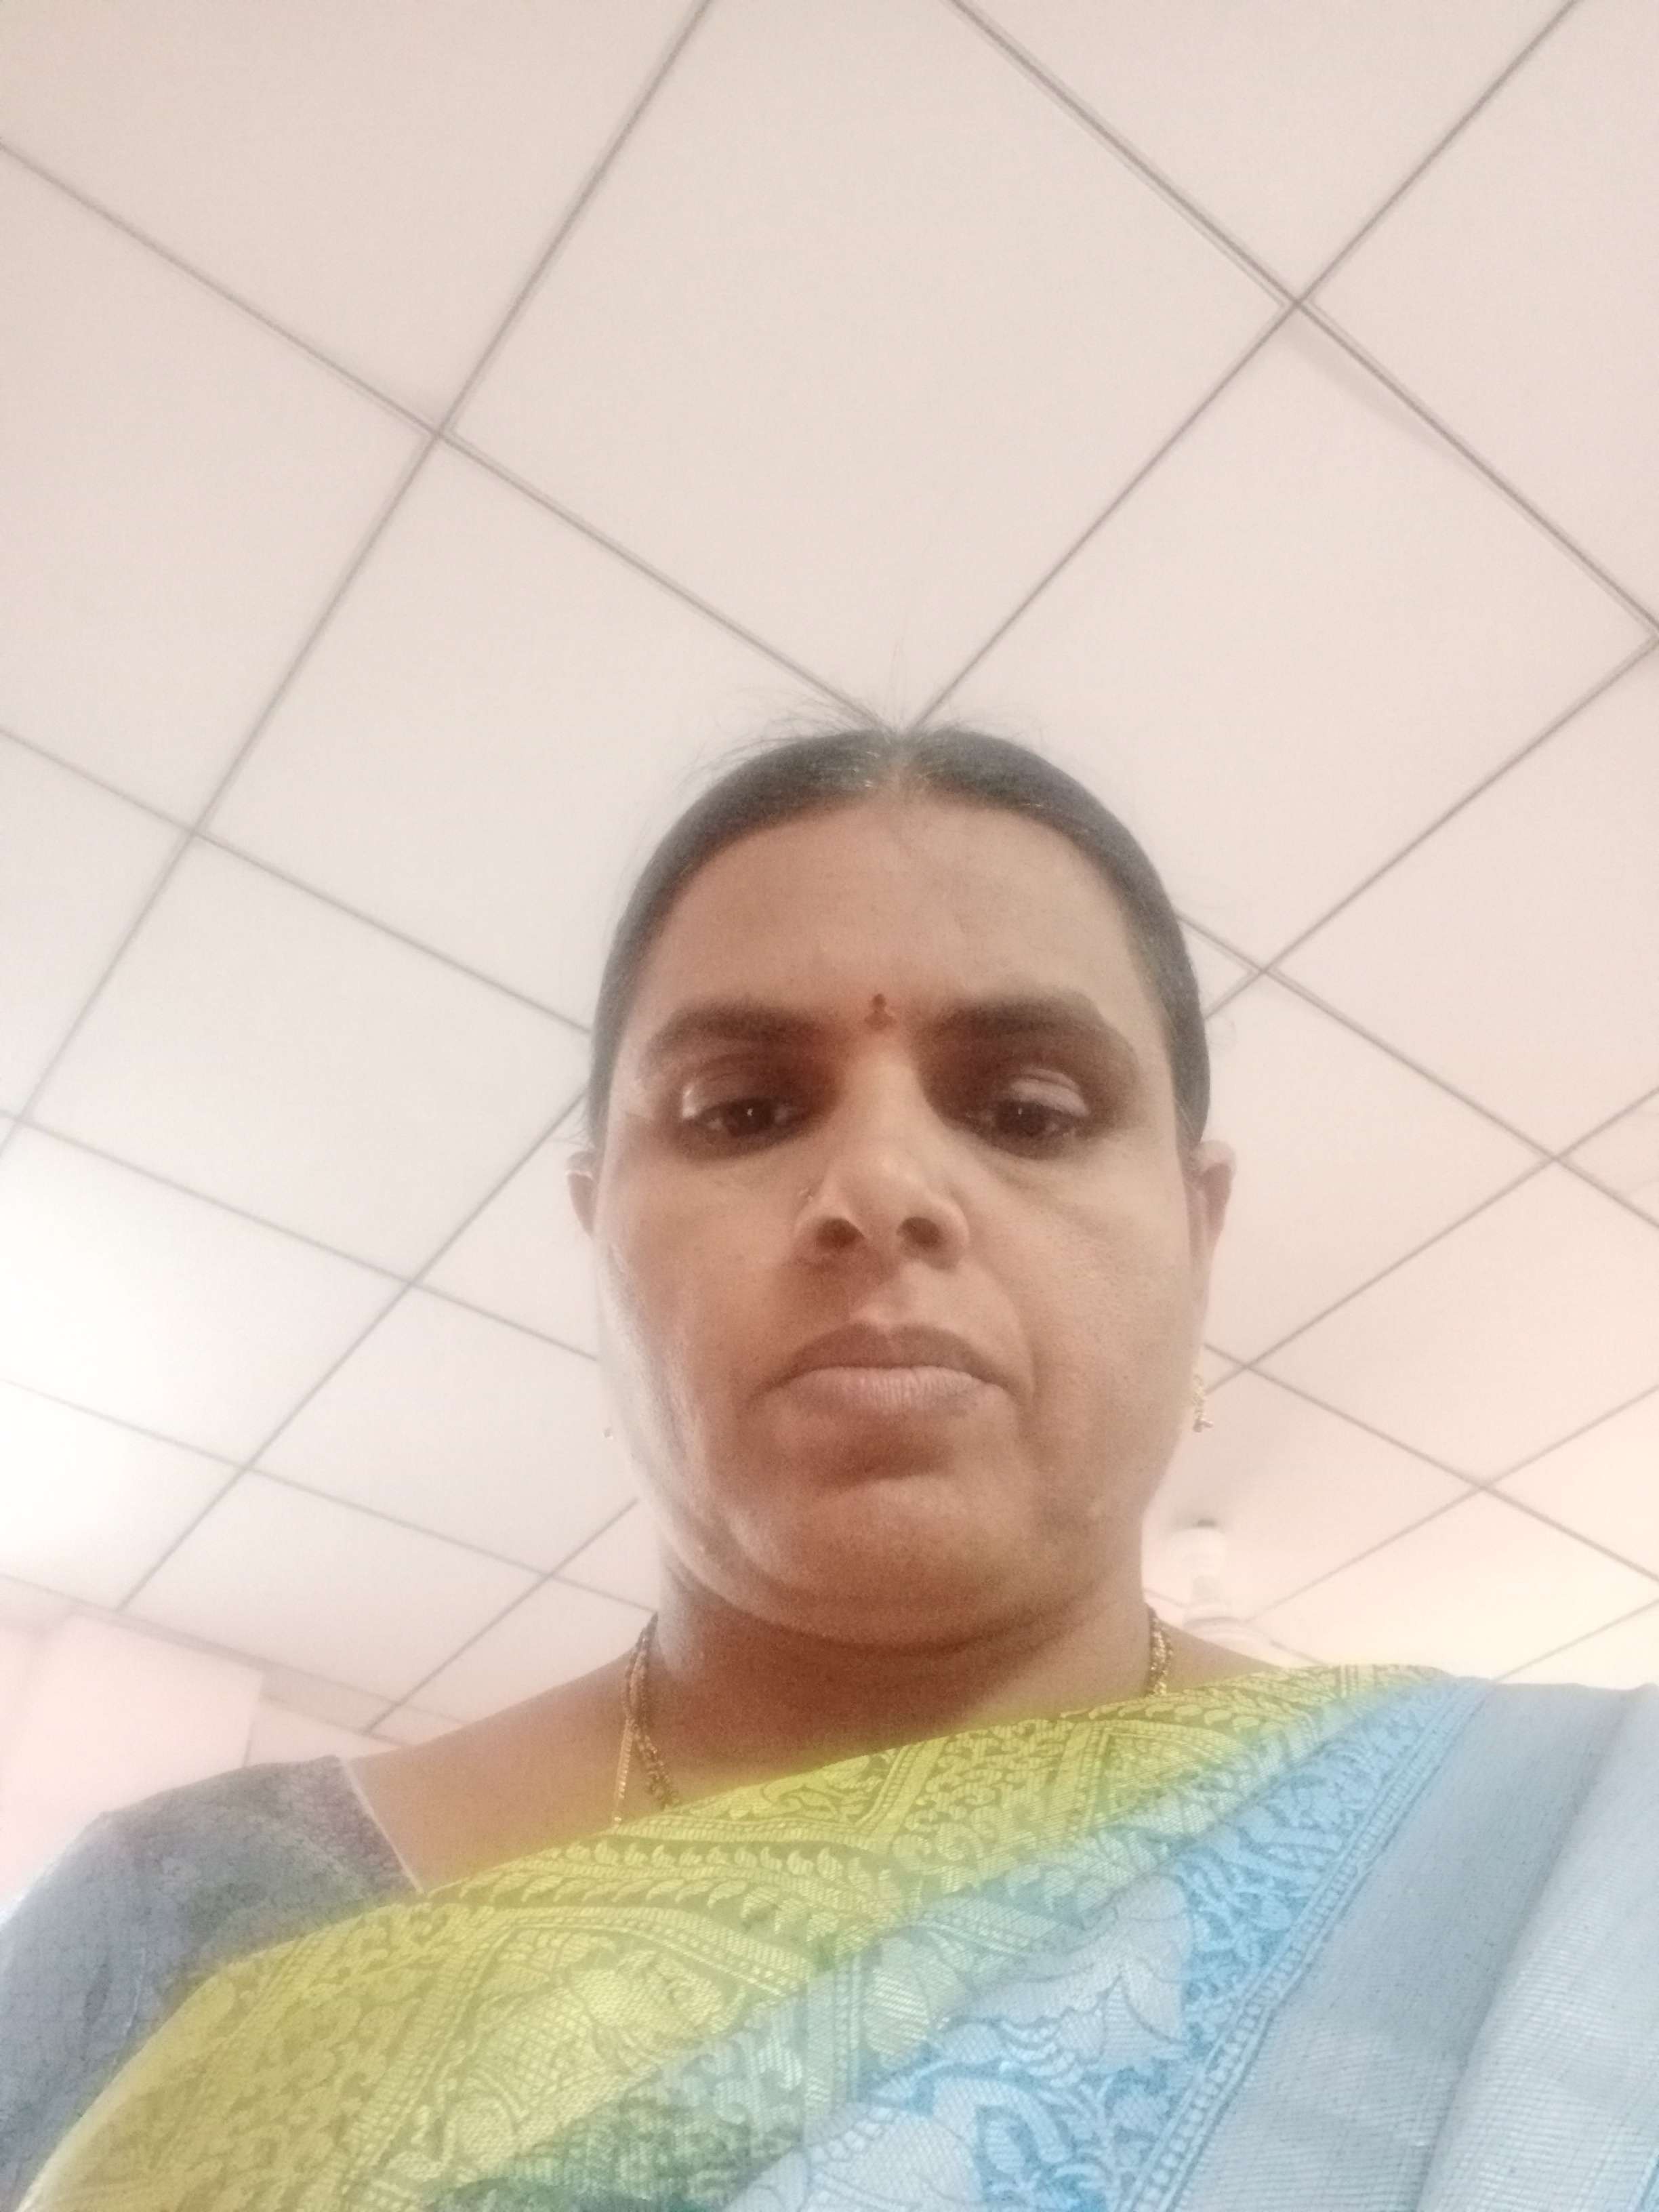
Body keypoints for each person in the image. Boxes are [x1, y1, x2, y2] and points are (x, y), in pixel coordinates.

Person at [5, 725, 1656, 2211]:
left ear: (1197, 1228)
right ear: (599, 1234)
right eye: (741, 1112)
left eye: (1028, 1107)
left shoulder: (1557, 1880)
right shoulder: (171, 1929)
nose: (880, 1186)